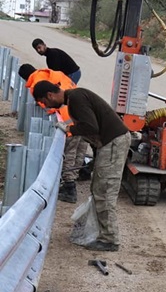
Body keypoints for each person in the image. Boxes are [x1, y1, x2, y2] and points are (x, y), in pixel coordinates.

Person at [32, 80, 131, 251]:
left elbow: (90, 126)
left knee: (105, 191)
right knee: (98, 188)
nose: (48, 106)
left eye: (45, 102)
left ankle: (110, 239)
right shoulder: (74, 99)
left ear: (50, 95)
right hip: (108, 143)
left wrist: (68, 129)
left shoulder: (76, 99)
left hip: (113, 143)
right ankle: (102, 233)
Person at [18, 63, 89, 203]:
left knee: (69, 151)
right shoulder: (50, 73)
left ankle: (69, 186)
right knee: (80, 148)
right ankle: (76, 175)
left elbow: (47, 105)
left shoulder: (37, 83)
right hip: (83, 115)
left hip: (69, 118)